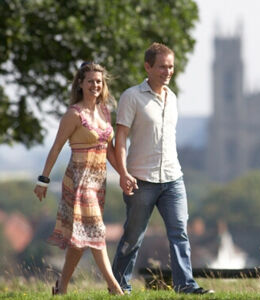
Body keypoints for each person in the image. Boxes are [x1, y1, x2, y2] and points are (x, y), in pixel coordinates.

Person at [111, 42, 213, 295]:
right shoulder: (131, 97)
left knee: (179, 233)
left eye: (171, 67)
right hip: (141, 179)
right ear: (148, 66)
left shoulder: (173, 97)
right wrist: (123, 173)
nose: (167, 72)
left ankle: (185, 285)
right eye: (162, 67)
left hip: (172, 178)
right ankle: (119, 286)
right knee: (133, 237)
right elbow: (120, 137)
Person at [34, 62, 124, 295]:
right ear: (81, 84)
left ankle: (61, 288)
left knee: (81, 237)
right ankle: (114, 288)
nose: (95, 85)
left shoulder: (105, 111)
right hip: (79, 180)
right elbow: (55, 148)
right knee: (96, 230)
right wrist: (43, 180)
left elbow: (110, 151)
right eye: (90, 81)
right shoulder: (74, 114)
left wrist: (124, 174)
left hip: (98, 181)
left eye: (99, 81)